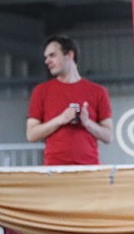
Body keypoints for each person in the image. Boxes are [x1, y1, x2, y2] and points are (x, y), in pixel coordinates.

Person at [26, 35, 113, 166]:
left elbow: (108, 136)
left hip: (89, 169)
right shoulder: (41, 91)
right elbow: (31, 134)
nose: (47, 61)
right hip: (54, 169)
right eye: (46, 57)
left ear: (69, 55)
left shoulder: (98, 92)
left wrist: (87, 123)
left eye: (52, 55)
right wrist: (60, 119)